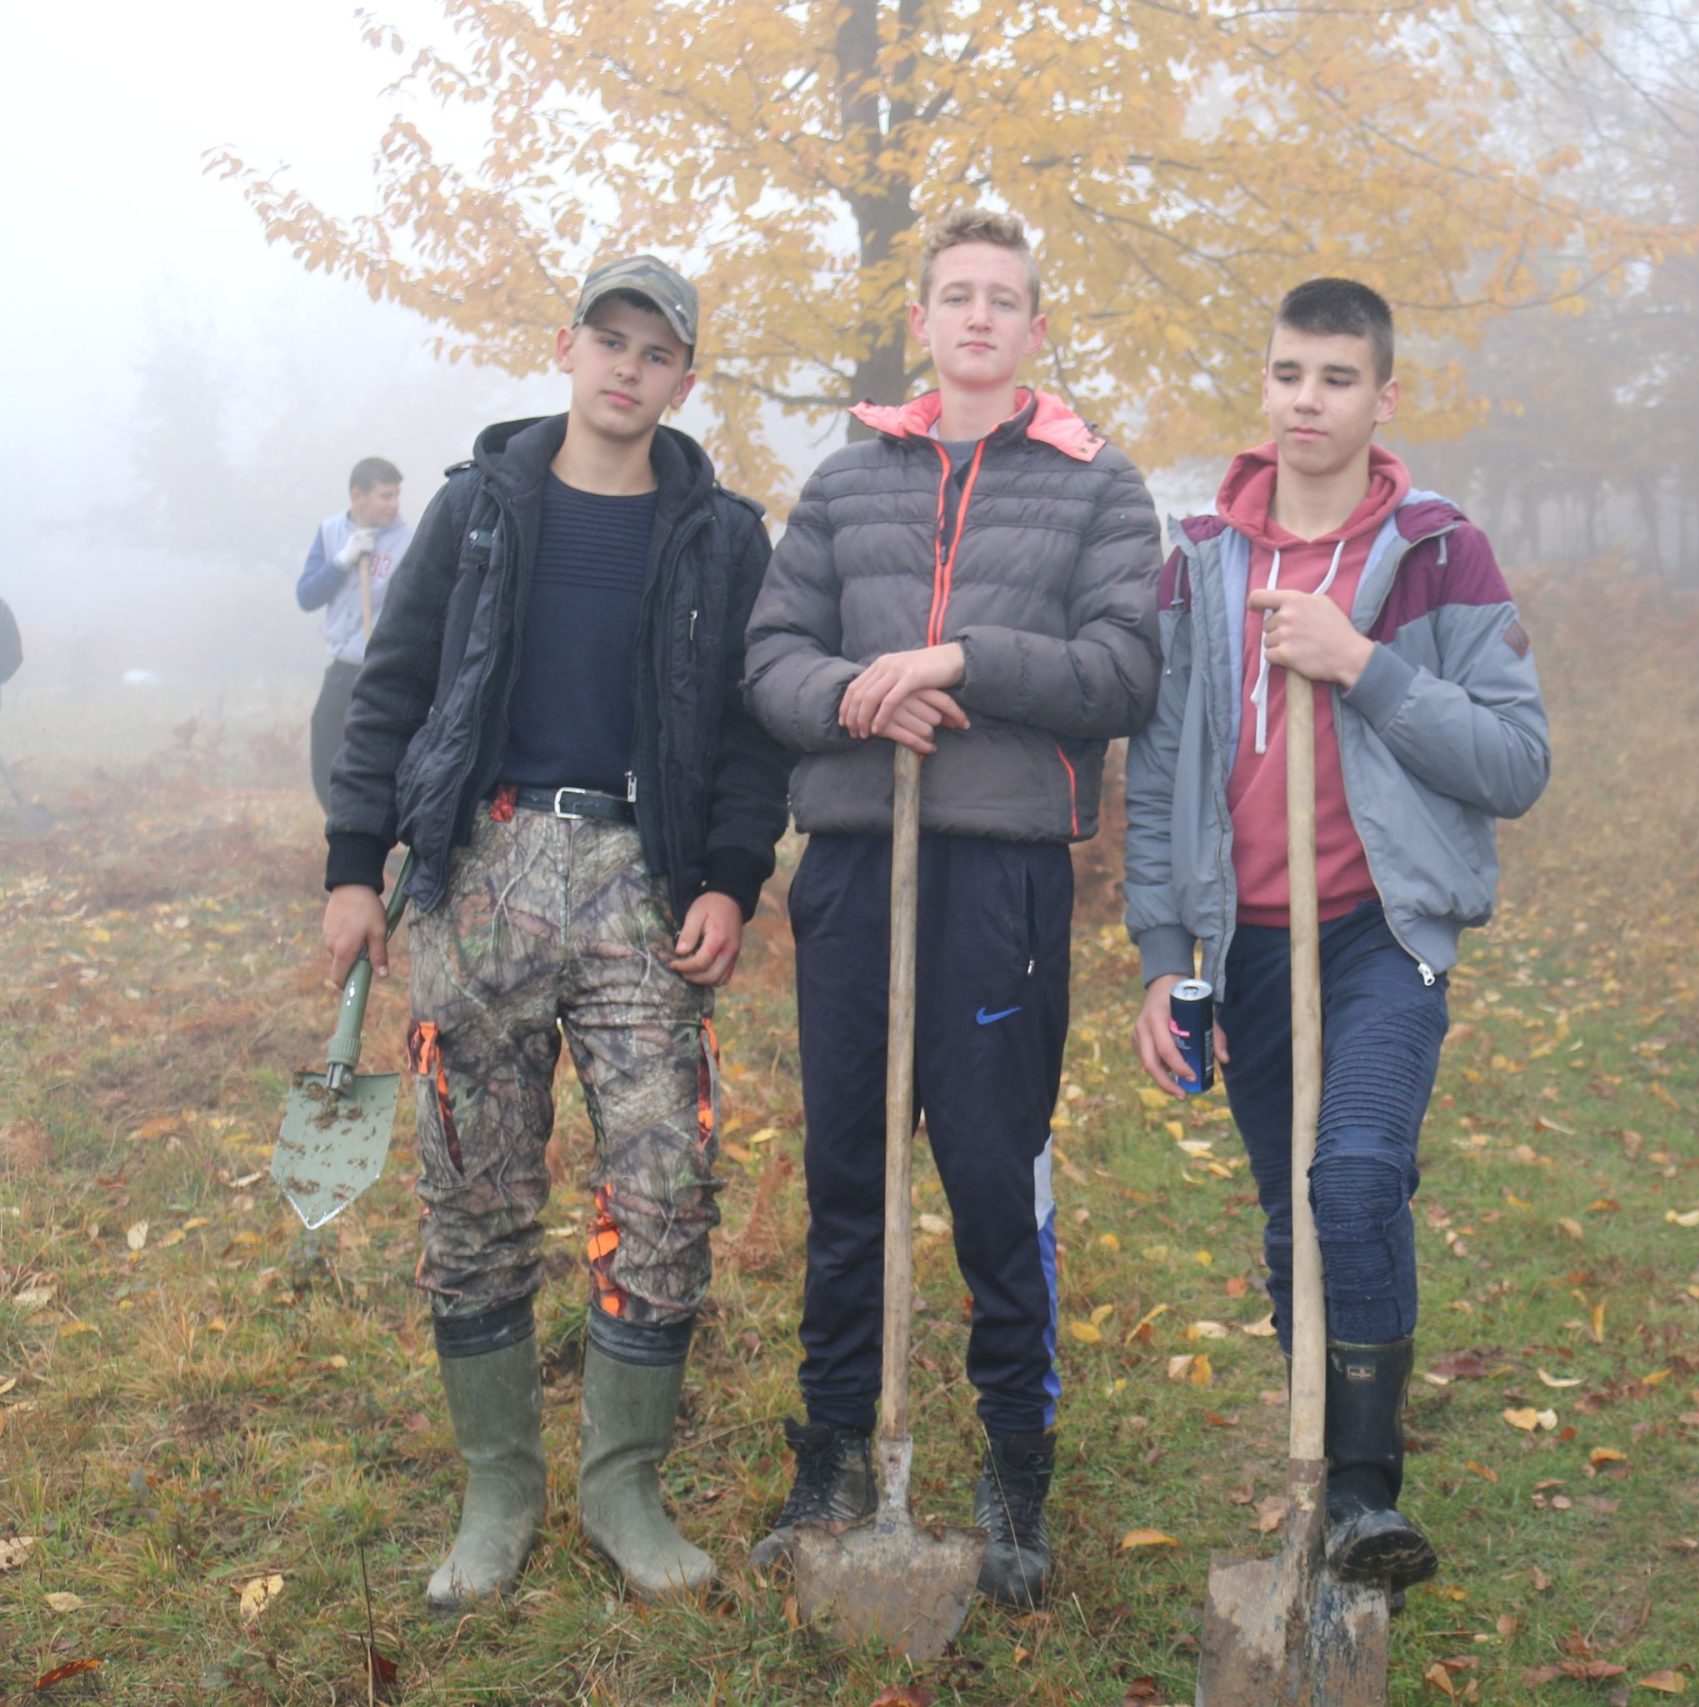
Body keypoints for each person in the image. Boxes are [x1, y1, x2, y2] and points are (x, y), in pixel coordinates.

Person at [318, 256, 791, 1609]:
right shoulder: (478, 508)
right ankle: (499, 1489)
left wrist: (730, 878)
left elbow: (751, 731)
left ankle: (624, 1488)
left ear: (683, 380)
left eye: (656, 351)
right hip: (480, 872)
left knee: (665, 1182)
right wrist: (355, 865)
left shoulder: (720, 538)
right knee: (472, 1187)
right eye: (609, 340)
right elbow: (393, 688)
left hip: (645, 881)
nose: (627, 368)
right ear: (568, 348)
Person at [741, 208, 1162, 1608]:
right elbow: (772, 657)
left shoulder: (1098, 485)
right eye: (956, 296)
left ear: (1035, 326)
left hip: (1000, 879)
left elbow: (1122, 670)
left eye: (1004, 298)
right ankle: (831, 1451)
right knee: (848, 1173)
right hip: (855, 868)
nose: (979, 317)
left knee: (993, 1172)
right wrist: (858, 695)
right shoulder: (847, 481)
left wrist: (958, 658)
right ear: (920, 321)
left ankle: (1013, 1461)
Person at [1122, 277, 1551, 1593]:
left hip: (1380, 934)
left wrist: (1361, 661)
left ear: (1384, 395)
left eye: (1337, 377)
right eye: (1288, 373)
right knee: (1288, 1218)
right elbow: (1160, 773)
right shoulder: (1200, 563)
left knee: (1354, 1181)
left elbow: (1515, 762)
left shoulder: (1438, 554)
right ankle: (1315, 1470)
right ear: (1265, 384)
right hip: (1245, 944)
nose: (1307, 400)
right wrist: (1164, 956)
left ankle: (1365, 1494)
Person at [295, 457, 414, 806]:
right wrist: (342, 561)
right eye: (385, 496)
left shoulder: (408, 542)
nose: (394, 504)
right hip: (343, 666)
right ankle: (338, 820)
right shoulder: (330, 532)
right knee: (325, 744)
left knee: (380, 754)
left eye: (396, 495)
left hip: (383, 668)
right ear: (357, 496)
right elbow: (307, 597)